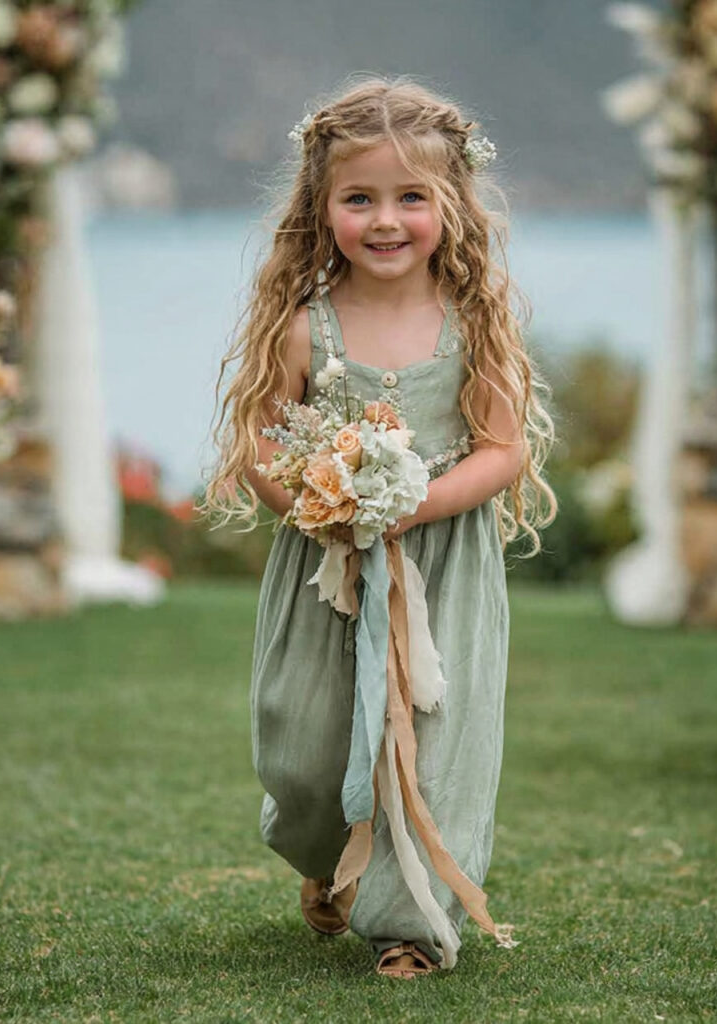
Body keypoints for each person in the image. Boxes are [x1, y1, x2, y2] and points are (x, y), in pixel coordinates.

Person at [204, 77, 556, 979]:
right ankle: (327, 856)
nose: (386, 219)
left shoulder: (472, 321)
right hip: (328, 565)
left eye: (412, 198)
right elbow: (257, 441)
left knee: (429, 752)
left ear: (452, 206)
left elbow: (501, 447)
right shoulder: (303, 329)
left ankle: (414, 926)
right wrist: (318, 501)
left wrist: (413, 504)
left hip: (442, 565)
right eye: (359, 198)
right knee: (306, 749)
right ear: (321, 210)